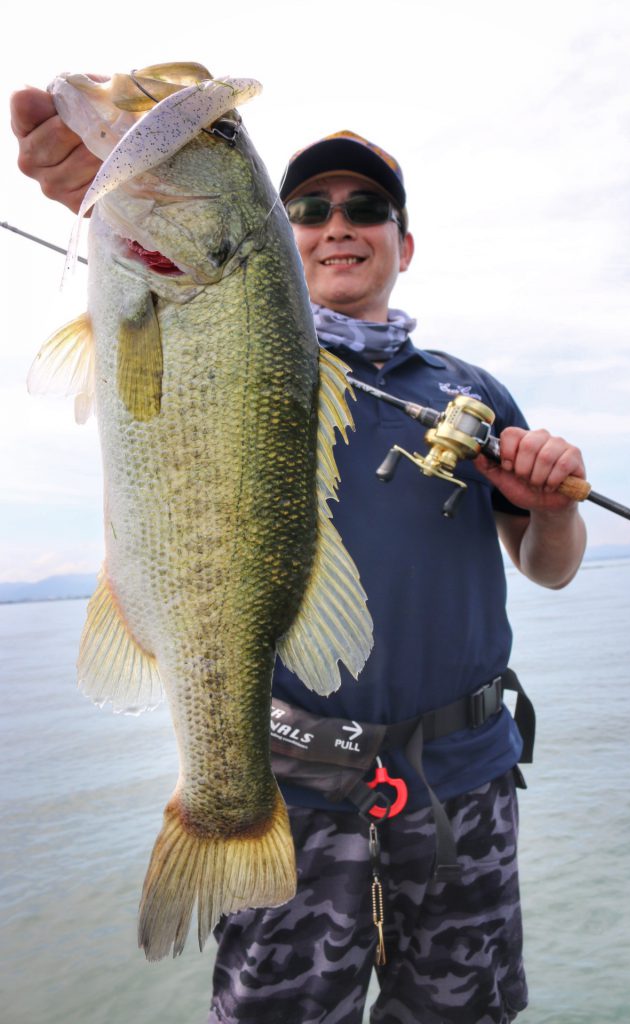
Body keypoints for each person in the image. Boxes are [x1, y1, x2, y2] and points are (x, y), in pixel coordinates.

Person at [11, 86, 587, 1024]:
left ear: (403, 244)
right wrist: (107, 190)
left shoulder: (471, 392)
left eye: (367, 208)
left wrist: (550, 508)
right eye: (310, 208)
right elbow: (155, 282)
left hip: (464, 780)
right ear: (280, 238)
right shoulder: (222, 329)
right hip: (295, 792)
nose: (338, 224)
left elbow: (547, 563)